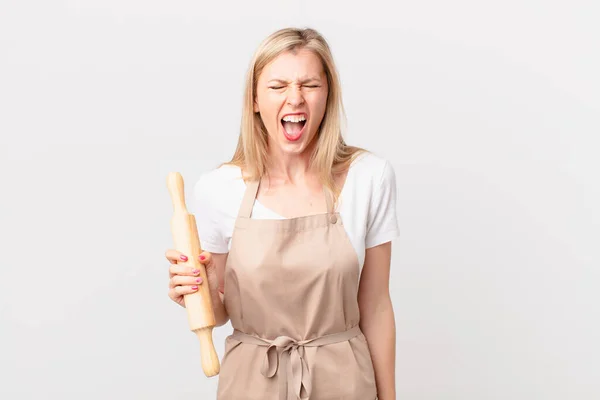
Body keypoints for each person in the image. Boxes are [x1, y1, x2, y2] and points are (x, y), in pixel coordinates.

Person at [165, 27, 399, 400]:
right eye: (278, 87)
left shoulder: (368, 177)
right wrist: (196, 291)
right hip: (252, 383)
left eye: (309, 85)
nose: (295, 99)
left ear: (328, 96)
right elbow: (223, 309)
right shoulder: (218, 189)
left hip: (345, 382)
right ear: (255, 100)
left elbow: (375, 306)